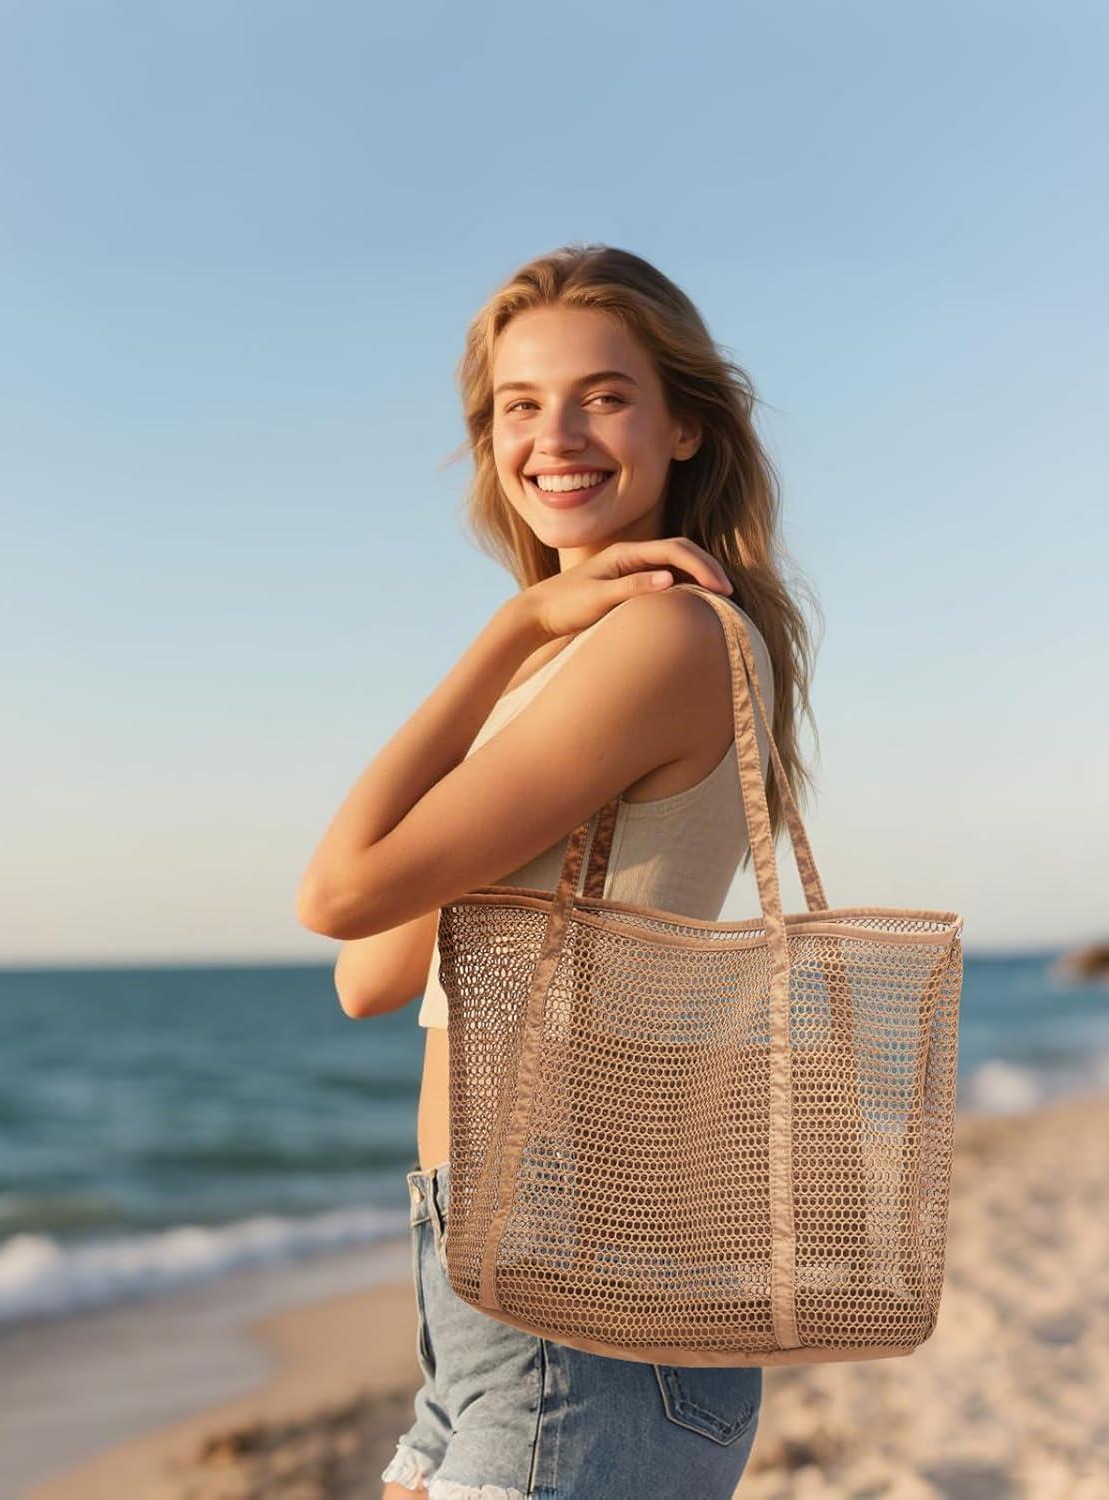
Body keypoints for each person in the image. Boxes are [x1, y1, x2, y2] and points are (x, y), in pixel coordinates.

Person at [297, 244, 819, 1500]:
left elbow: (335, 892)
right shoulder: (570, 662)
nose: (555, 436)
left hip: (570, 1275)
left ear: (686, 423)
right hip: (478, 1282)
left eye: (605, 394)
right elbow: (369, 977)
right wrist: (526, 638)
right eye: (518, 406)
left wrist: (506, 632)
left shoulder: (663, 636)